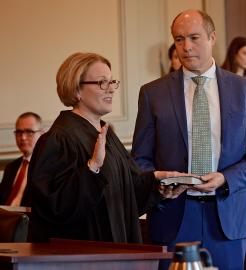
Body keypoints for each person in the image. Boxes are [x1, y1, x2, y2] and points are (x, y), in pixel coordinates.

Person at [131, 10, 246, 270]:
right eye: (179, 39)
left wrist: (225, 178)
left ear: (212, 37)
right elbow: (140, 160)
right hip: (173, 215)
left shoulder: (245, 90)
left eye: (194, 38)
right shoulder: (153, 93)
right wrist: (159, 182)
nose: (186, 47)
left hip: (226, 216)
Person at [26, 52, 184, 243]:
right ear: (76, 90)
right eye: (102, 83)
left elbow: (127, 194)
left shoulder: (107, 134)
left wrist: (156, 184)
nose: (111, 89)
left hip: (119, 253)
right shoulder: (58, 139)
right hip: (85, 259)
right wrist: (92, 168)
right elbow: (54, 207)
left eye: (112, 82)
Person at [0, 112, 43, 206]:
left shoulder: (46, 166)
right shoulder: (11, 167)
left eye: (29, 132)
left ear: (42, 134)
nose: (23, 138)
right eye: (19, 132)